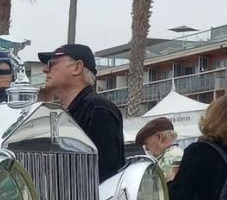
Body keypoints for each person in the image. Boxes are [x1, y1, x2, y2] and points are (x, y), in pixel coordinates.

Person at [39, 43, 125, 180]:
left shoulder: (97, 109)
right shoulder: (71, 112)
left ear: (77, 67)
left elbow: (108, 174)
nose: (45, 69)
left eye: (51, 63)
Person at [134, 117, 182, 181]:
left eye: (147, 144)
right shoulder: (175, 155)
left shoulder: (172, 157)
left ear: (159, 137)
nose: (146, 149)